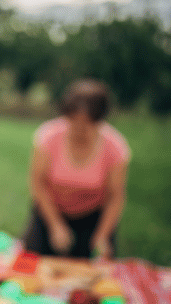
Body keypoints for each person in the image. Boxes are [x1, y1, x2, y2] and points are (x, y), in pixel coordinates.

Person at [23, 78, 131, 259]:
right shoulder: (48, 136)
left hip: (92, 220)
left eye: (86, 123)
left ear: (99, 120)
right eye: (73, 121)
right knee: (27, 266)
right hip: (49, 211)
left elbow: (116, 197)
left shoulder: (115, 147)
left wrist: (102, 236)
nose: (78, 129)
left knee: (95, 275)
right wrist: (55, 224)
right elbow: (37, 183)